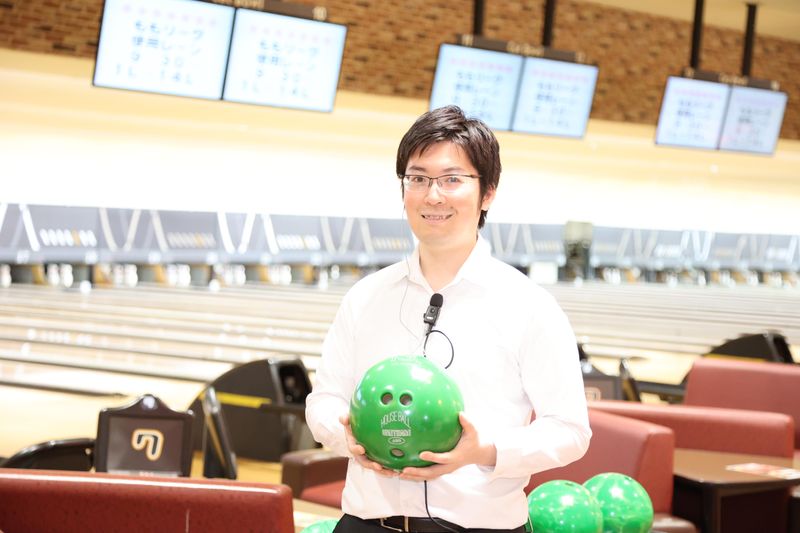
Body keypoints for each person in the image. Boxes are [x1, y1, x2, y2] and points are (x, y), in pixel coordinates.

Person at [305, 105, 591, 532]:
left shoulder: (529, 305)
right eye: (418, 179)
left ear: (487, 192)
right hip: (365, 523)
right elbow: (323, 401)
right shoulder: (365, 298)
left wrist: (485, 450)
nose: (432, 195)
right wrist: (344, 432)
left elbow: (570, 430)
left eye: (452, 179)